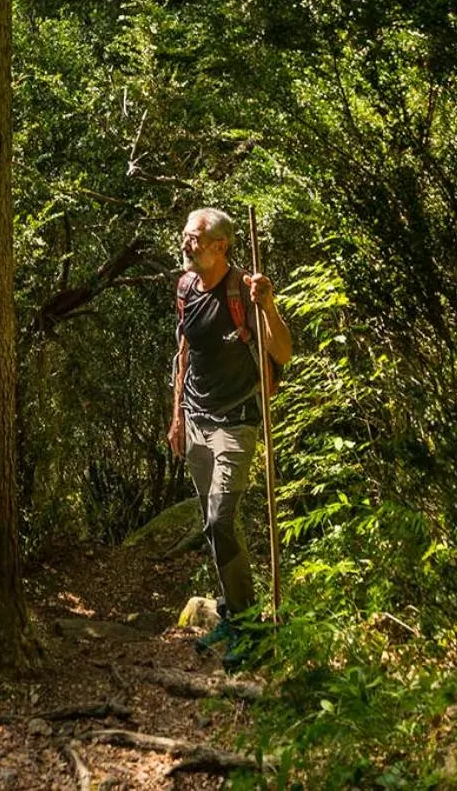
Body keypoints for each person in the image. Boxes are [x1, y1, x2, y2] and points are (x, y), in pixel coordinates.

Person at [167, 207, 292, 638]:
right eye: (185, 236)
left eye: (194, 239)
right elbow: (184, 353)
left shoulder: (244, 291)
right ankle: (232, 612)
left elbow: (282, 353)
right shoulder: (186, 288)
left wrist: (269, 307)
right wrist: (177, 417)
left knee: (221, 518)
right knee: (211, 521)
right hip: (196, 419)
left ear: (220, 246)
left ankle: (246, 624)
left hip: (237, 420)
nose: (186, 244)